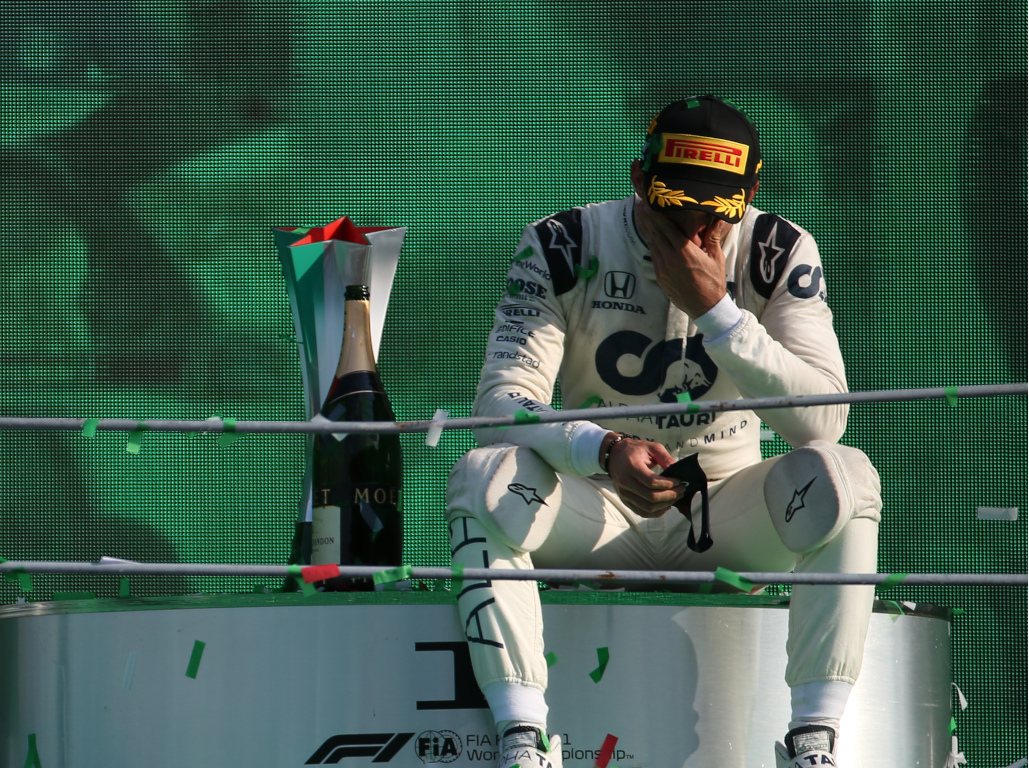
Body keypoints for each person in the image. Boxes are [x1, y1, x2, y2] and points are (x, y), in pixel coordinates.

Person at [445, 95, 882, 768]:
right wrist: (603, 449)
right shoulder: (563, 243)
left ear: (750, 193)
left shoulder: (777, 249)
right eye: (672, 204)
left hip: (728, 518)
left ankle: (812, 740)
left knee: (845, 474)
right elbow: (499, 405)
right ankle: (522, 739)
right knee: (483, 475)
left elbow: (821, 420)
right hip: (594, 516)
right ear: (636, 180)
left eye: (714, 211)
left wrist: (717, 312)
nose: (690, 229)